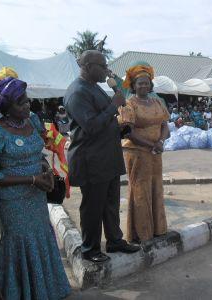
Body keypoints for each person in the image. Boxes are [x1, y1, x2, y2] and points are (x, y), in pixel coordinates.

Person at [0, 77, 70, 299]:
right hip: (14, 202)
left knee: (41, 236)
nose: (26, 105)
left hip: (37, 196)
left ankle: (46, 290)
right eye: (19, 102)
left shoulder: (31, 120)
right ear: (5, 106)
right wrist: (32, 179)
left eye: (26, 100)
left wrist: (45, 170)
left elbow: (38, 153)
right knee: (20, 243)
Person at [64, 50, 140, 263]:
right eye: (102, 66)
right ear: (87, 66)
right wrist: (113, 106)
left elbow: (104, 120)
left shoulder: (94, 87)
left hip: (107, 156)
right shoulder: (77, 92)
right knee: (93, 208)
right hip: (91, 160)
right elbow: (90, 126)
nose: (107, 70)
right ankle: (90, 249)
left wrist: (120, 129)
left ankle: (115, 240)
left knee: (110, 203)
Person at [118, 61, 170, 243]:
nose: (144, 86)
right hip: (137, 153)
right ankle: (141, 233)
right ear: (133, 85)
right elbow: (127, 131)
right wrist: (150, 145)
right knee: (140, 190)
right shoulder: (128, 103)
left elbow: (165, 125)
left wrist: (161, 141)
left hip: (156, 152)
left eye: (146, 82)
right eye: (140, 83)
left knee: (156, 187)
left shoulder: (157, 102)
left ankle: (158, 229)